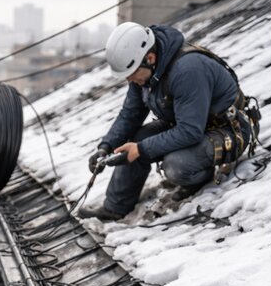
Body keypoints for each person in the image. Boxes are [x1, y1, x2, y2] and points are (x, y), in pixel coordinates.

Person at [81, 21, 258, 221]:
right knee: (132, 139)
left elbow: (190, 131)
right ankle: (115, 208)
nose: (130, 81)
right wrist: (106, 146)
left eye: (131, 75)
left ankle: (199, 176)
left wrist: (141, 149)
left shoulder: (187, 70)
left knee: (175, 165)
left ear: (150, 57)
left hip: (227, 130)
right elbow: (130, 114)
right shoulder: (145, 72)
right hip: (189, 124)